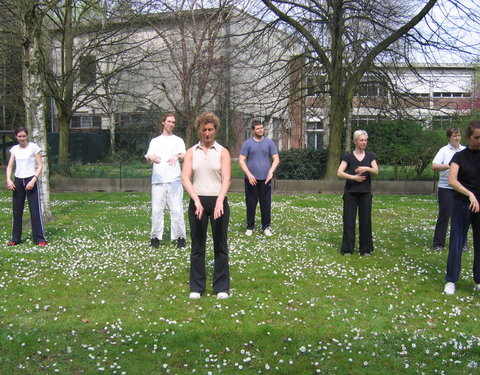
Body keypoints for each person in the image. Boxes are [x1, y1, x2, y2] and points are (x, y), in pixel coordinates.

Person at [181, 112, 231, 300]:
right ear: (199, 131)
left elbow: (226, 178)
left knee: (220, 246)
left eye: (210, 130)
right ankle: (197, 287)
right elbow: (185, 178)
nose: (207, 133)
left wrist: (220, 201)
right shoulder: (191, 152)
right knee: (197, 247)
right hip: (197, 202)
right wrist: (195, 200)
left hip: (218, 202)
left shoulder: (223, 152)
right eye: (204, 130)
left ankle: (221, 287)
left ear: (215, 131)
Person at [443, 120, 480, 295]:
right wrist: (469, 194)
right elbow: (452, 180)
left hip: (479, 204)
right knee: (457, 241)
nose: (479, 140)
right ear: (468, 137)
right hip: (462, 203)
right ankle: (451, 280)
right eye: (476, 137)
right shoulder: (459, 156)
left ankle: (478, 280)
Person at [145, 113, 187, 249]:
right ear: (163, 122)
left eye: (173, 122)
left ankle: (180, 237)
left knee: (177, 209)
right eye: (169, 121)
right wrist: (151, 158)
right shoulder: (155, 141)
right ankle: (155, 237)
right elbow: (148, 157)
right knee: (157, 210)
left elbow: (185, 154)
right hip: (158, 181)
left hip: (174, 180)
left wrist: (177, 156)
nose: (171, 124)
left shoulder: (178, 140)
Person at [337, 129, 379, 256]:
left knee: (365, 220)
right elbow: (339, 172)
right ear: (355, 141)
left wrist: (366, 168)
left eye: (365, 140)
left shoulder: (370, 156)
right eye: (361, 140)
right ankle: (347, 249)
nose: (364, 142)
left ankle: (365, 249)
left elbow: (376, 171)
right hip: (351, 192)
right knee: (349, 220)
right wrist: (353, 177)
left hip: (365, 192)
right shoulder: (348, 157)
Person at [5, 126, 47, 246]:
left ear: (27, 136)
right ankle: (15, 238)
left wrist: (34, 180)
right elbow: (10, 166)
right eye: (19, 136)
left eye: (24, 136)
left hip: (31, 180)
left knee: (35, 211)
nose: (22, 138)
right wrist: (9, 180)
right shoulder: (14, 150)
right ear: (16, 137)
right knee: (17, 211)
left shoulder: (34, 147)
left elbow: (40, 166)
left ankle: (40, 239)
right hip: (18, 181)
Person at [238, 120, 279, 237]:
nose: (261, 130)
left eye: (262, 128)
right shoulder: (247, 144)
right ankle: (250, 227)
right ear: (253, 130)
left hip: (265, 179)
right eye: (258, 128)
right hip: (251, 179)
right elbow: (241, 160)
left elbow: (276, 158)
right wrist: (249, 174)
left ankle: (266, 227)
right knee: (251, 204)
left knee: (266, 204)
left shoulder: (269, 143)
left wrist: (271, 172)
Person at [432, 127, 466, 252]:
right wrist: (450, 165)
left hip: (461, 187)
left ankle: (462, 243)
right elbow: (434, 166)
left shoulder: (464, 150)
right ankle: (438, 243)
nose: (457, 138)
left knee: (463, 216)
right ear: (449, 137)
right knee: (445, 215)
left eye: (459, 135)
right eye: (454, 136)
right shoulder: (444, 151)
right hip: (446, 187)